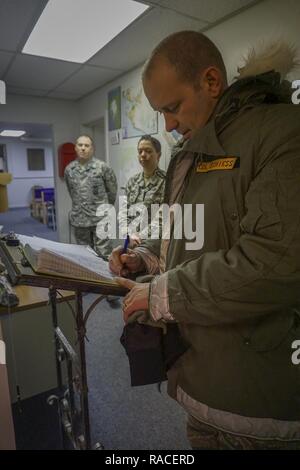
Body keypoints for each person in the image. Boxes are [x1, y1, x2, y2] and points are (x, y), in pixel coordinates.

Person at [109, 31, 300, 450]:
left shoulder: (282, 132)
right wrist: (143, 258)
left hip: (253, 400)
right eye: (160, 113)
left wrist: (160, 293)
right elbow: (183, 231)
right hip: (195, 372)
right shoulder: (189, 151)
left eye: (173, 108)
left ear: (211, 82)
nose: (169, 126)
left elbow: (275, 261)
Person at [65, 135, 117, 260]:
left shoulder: (102, 168)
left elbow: (112, 191)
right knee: (85, 256)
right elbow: (72, 192)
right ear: (75, 148)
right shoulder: (69, 169)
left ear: (92, 149)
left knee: (105, 255)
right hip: (80, 220)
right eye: (80, 145)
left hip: (101, 219)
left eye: (86, 145)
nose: (83, 148)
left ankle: (106, 280)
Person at [119, 135, 166, 247]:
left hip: (154, 245)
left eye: (148, 151)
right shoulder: (132, 181)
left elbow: (163, 218)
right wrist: (128, 234)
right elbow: (123, 212)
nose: (143, 155)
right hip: (130, 241)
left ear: (158, 155)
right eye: (140, 151)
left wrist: (140, 236)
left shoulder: (167, 182)